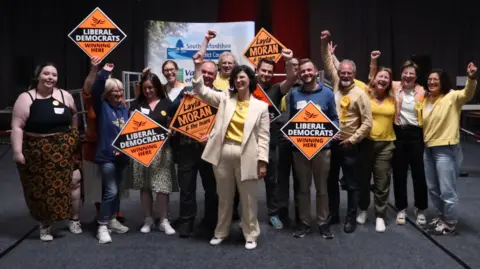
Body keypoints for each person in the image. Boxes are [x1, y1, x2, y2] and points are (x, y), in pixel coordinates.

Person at [192, 53, 270, 250]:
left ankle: (251, 234)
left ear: (250, 80)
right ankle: (221, 232)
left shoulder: (261, 106)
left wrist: (262, 161)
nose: (239, 80)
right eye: (236, 77)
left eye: (243, 77)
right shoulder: (226, 98)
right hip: (224, 154)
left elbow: (264, 137)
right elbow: (201, 90)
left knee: (249, 199)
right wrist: (197, 67)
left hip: (249, 156)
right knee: (224, 198)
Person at [11, 63, 81, 241]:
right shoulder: (26, 98)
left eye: (54, 75)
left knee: (74, 182)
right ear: (38, 76)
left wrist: (72, 137)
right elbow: (17, 126)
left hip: (65, 148)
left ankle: (74, 219)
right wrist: (17, 152)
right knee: (42, 189)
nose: (50, 77)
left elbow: (74, 115)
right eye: (46, 73)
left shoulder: (65, 96)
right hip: (37, 151)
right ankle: (45, 224)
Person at [168, 31, 219, 237]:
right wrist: (183, 103)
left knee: (211, 188)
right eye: (204, 72)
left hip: (209, 149)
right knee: (187, 188)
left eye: (210, 73)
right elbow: (170, 114)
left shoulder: (219, 96)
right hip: (187, 148)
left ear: (215, 76)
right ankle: (187, 221)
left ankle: (210, 221)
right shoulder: (186, 92)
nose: (206, 75)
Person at [321, 30, 372, 233]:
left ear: (354, 75)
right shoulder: (335, 85)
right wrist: (324, 42)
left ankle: (350, 218)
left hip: (350, 145)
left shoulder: (361, 94)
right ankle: (334, 214)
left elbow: (367, 123)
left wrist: (353, 140)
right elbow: (326, 60)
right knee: (330, 182)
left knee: (352, 184)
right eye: (342, 72)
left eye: (348, 73)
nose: (344, 75)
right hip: (331, 143)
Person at [369, 52, 428, 226]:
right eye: (405, 72)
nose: (408, 76)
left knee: (419, 174)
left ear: (416, 76)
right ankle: (401, 208)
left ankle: (421, 208)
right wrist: (374, 61)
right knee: (399, 174)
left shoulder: (422, 91)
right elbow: (373, 79)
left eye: (412, 73)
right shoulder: (394, 87)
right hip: (399, 134)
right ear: (401, 74)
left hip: (417, 135)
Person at [285, 53, 339, 239]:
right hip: (299, 151)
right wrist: (290, 133)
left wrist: (333, 133)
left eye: (309, 70)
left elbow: (334, 118)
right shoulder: (293, 94)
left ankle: (323, 222)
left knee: (322, 188)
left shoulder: (327, 93)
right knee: (303, 188)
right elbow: (291, 119)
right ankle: (305, 222)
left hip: (323, 151)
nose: (306, 73)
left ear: (316, 72)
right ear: (299, 74)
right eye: (303, 71)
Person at [422, 63, 477, 235]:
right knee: (433, 188)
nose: (431, 82)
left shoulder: (452, 96)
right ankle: (441, 217)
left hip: (446, 149)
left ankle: (450, 223)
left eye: (435, 80)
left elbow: (467, 93)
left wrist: (471, 78)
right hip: (429, 148)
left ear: (443, 81)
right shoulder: (427, 99)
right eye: (429, 79)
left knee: (447, 190)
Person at [131, 69, 176, 235]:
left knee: (163, 186)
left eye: (151, 88)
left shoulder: (167, 103)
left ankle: (164, 220)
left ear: (157, 87)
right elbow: (131, 125)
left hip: (163, 151)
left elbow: (172, 125)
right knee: (145, 186)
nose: (148, 91)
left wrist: (171, 132)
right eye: (145, 88)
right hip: (142, 151)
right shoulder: (137, 104)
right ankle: (148, 218)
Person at [92, 63, 130, 243]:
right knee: (111, 191)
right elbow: (96, 88)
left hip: (122, 157)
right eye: (114, 90)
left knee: (117, 190)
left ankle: (113, 220)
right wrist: (104, 72)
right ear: (107, 92)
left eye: (121, 90)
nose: (118, 93)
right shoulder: (102, 106)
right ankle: (102, 225)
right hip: (106, 157)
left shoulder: (124, 108)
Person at [357, 66, 396, 232]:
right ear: (374, 79)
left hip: (386, 144)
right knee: (363, 180)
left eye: (386, 77)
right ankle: (363, 209)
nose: (383, 80)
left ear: (390, 81)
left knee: (382, 182)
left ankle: (380, 215)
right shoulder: (365, 93)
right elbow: (344, 72)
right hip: (366, 143)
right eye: (380, 76)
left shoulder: (394, 98)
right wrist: (330, 55)